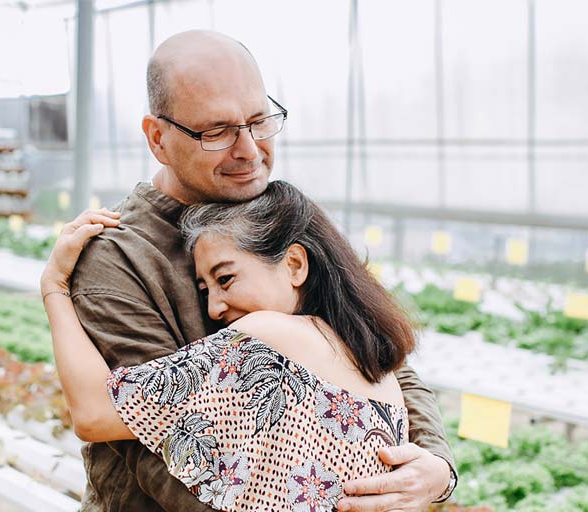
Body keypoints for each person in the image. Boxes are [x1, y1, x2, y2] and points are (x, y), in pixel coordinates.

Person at [61, 29, 456, 512]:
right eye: (217, 132)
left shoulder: (272, 211)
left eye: (258, 121)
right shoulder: (118, 255)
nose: (249, 150)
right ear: (158, 138)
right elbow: (153, 447)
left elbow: (373, 348)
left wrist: (434, 467)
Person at [41, 180, 419, 511]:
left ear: (294, 265)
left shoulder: (267, 338)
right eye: (205, 289)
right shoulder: (381, 375)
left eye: (226, 278)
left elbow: (94, 414)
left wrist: (54, 287)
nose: (214, 307)